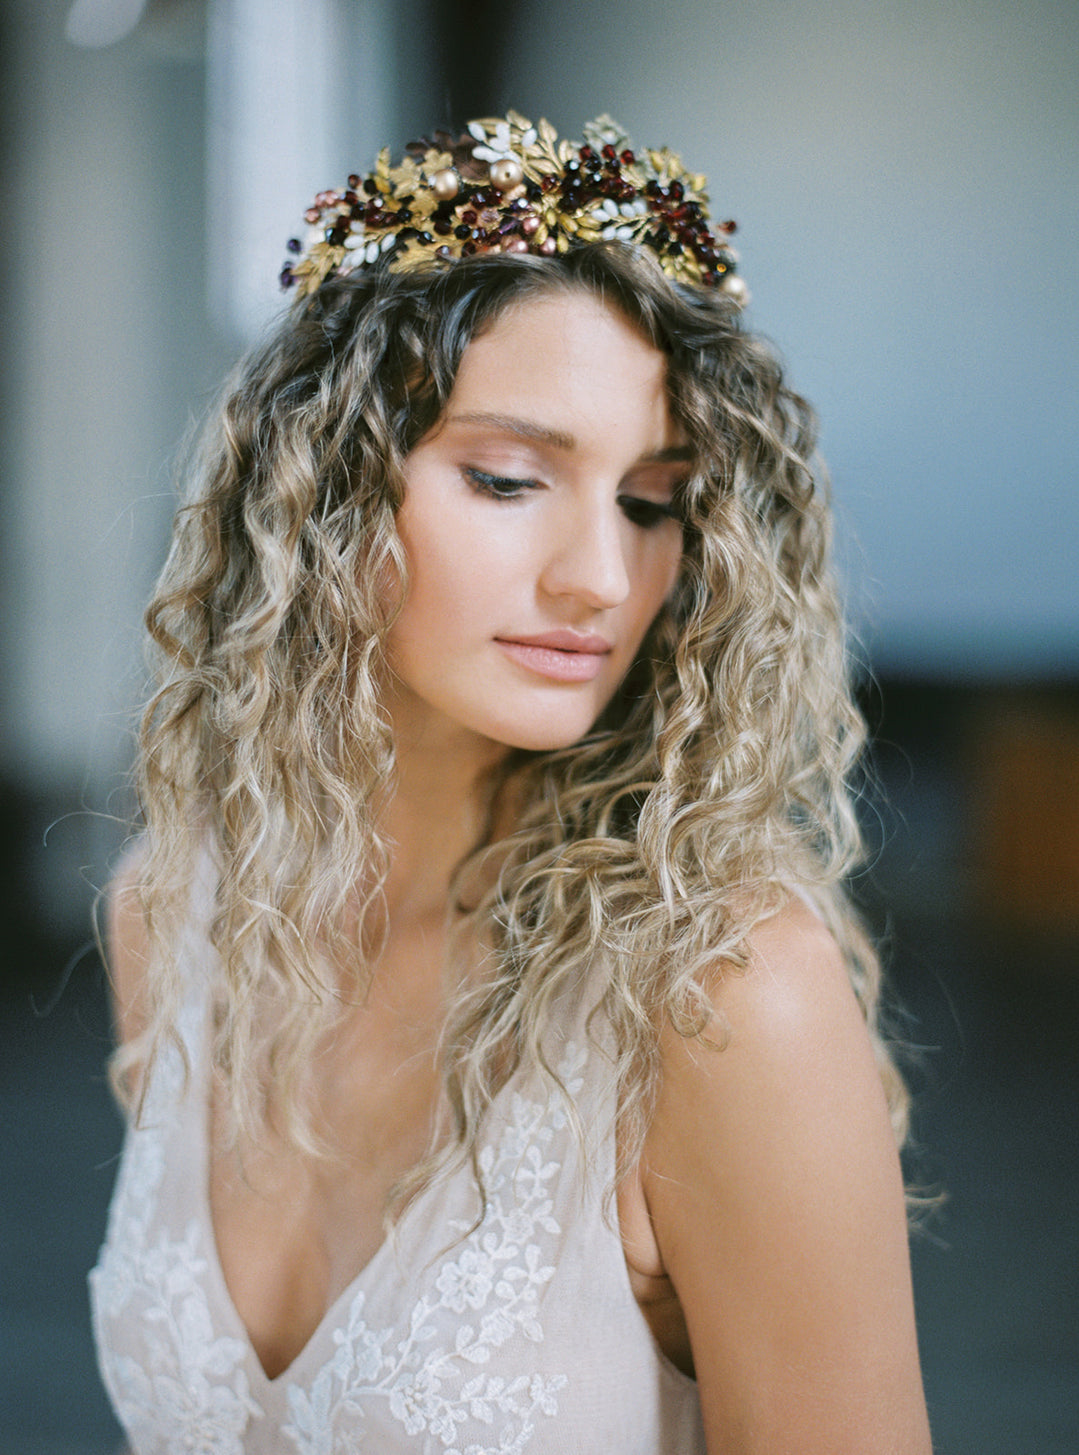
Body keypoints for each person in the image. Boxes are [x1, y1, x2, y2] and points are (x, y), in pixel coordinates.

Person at [90, 112, 932, 1453]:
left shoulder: (719, 993)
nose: (600, 576)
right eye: (509, 478)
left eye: (652, 503)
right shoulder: (178, 918)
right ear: (324, 496)